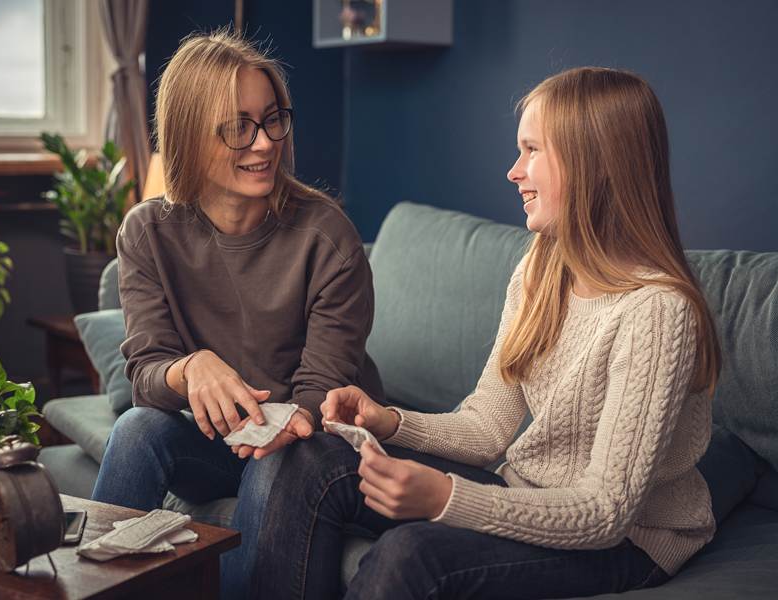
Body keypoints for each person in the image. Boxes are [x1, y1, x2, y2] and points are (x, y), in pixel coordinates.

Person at [246, 67, 724, 600]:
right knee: (314, 455)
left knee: (411, 553)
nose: (513, 171)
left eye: (531, 150)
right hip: (531, 498)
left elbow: (605, 513)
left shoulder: (657, 312)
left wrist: (446, 497)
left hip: (627, 544)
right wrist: (390, 423)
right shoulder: (540, 270)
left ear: (595, 162)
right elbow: (486, 428)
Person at [90, 28, 383, 600]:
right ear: (189, 135)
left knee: (280, 465)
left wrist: (267, 425)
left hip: (312, 439)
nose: (265, 142)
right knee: (136, 431)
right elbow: (147, 374)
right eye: (238, 126)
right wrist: (190, 367)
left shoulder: (327, 238)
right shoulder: (147, 232)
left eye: (273, 119)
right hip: (223, 442)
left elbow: (320, 393)